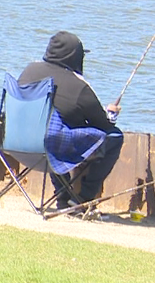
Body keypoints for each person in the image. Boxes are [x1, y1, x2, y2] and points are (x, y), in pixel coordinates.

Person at [19, 31, 124, 210]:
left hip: (18, 144)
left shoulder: (29, 71)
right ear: (75, 57)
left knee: (50, 132)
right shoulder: (78, 86)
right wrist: (111, 115)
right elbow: (102, 125)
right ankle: (83, 198)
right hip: (49, 149)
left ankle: (63, 196)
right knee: (115, 137)